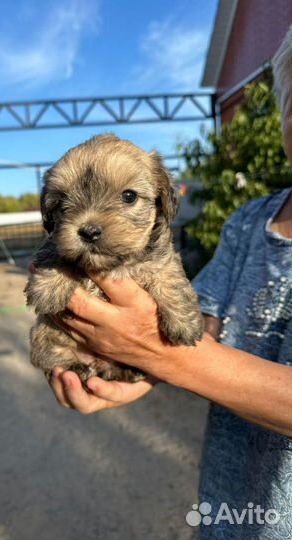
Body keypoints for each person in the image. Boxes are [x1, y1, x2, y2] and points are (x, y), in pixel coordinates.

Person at [46, 26, 292, 540]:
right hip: (228, 506)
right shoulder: (249, 222)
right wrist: (128, 361)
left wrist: (162, 357)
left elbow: (178, 350)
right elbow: (196, 322)